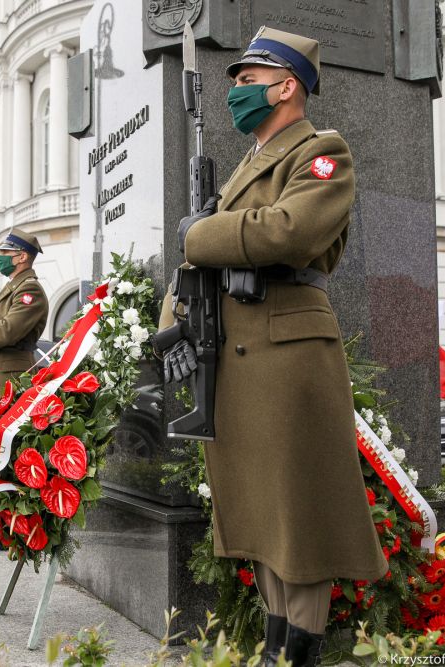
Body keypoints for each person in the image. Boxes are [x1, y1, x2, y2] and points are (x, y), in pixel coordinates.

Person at [159, 27, 387, 667]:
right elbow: (205, 262)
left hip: (287, 354)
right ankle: (276, 646)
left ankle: (300, 653)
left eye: (247, 80)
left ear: (287, 86)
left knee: (298, 515)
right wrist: (175, 319)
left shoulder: (321, 153)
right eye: (233, 82)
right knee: (261, 513)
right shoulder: (248, 164)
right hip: (237, 355)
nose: (236, 92)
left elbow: (288, 233)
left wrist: (200, 233)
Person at [0, 230, 49, 390]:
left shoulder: (29, 289)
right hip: (0, 375)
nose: (0, 256)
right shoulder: (14, 286)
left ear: (22, 257)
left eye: (5, 252)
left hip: (14, 378)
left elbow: (8, 331)